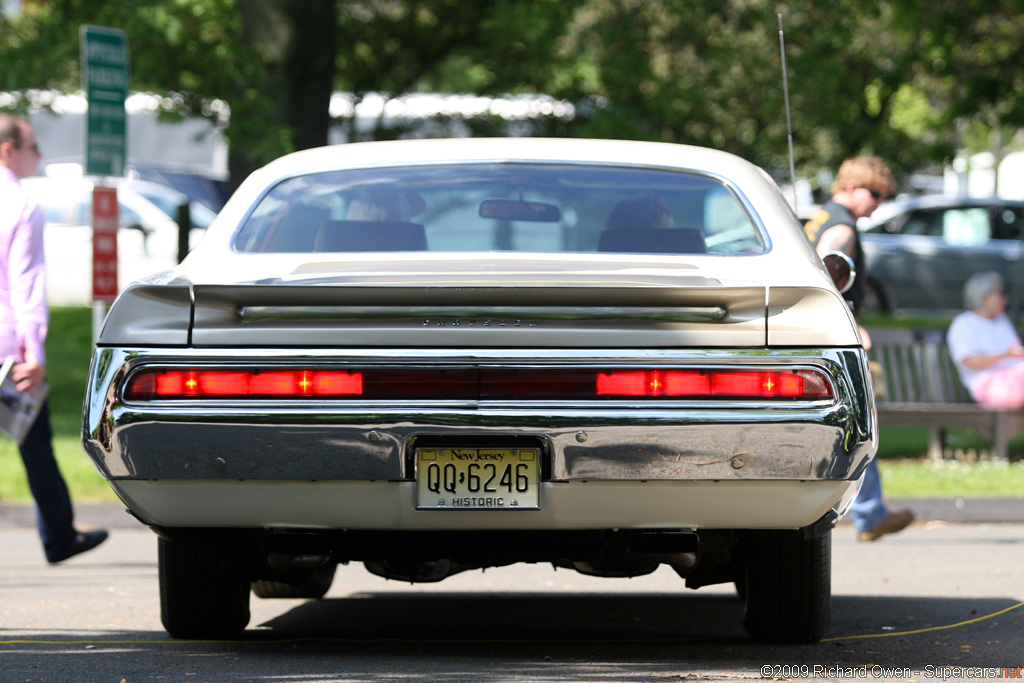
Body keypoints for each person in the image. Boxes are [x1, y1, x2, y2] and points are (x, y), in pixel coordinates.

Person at [0, 114, 108, 563]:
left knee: (37, 441)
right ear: (7, 149)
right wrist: (35, 351)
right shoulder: (21, 204)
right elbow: (25, 283)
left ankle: (62, 532)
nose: (40, 155)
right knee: (36, 443)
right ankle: (60, 536)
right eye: (33, 147)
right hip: (8, 353)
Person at [803, 156, 914, 542]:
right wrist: (852, 323)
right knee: (858, 424)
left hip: (818, 334)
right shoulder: (842, 226)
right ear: (851, 187)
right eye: (876, 193)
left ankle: (870, 512)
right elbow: (825, 268)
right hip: (836, 334)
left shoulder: (821, 215)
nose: (879, 203)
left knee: (852, 423)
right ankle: (868, 513)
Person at [947, 271, 1024, 407]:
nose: (1005, 299)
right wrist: (1006, 354)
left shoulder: (1001, 321)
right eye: (1000, 292)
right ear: (984, 295)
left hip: (1016, 380)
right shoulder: (964, 323)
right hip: (989, 386)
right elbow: (969, 361)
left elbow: (1015, 352)